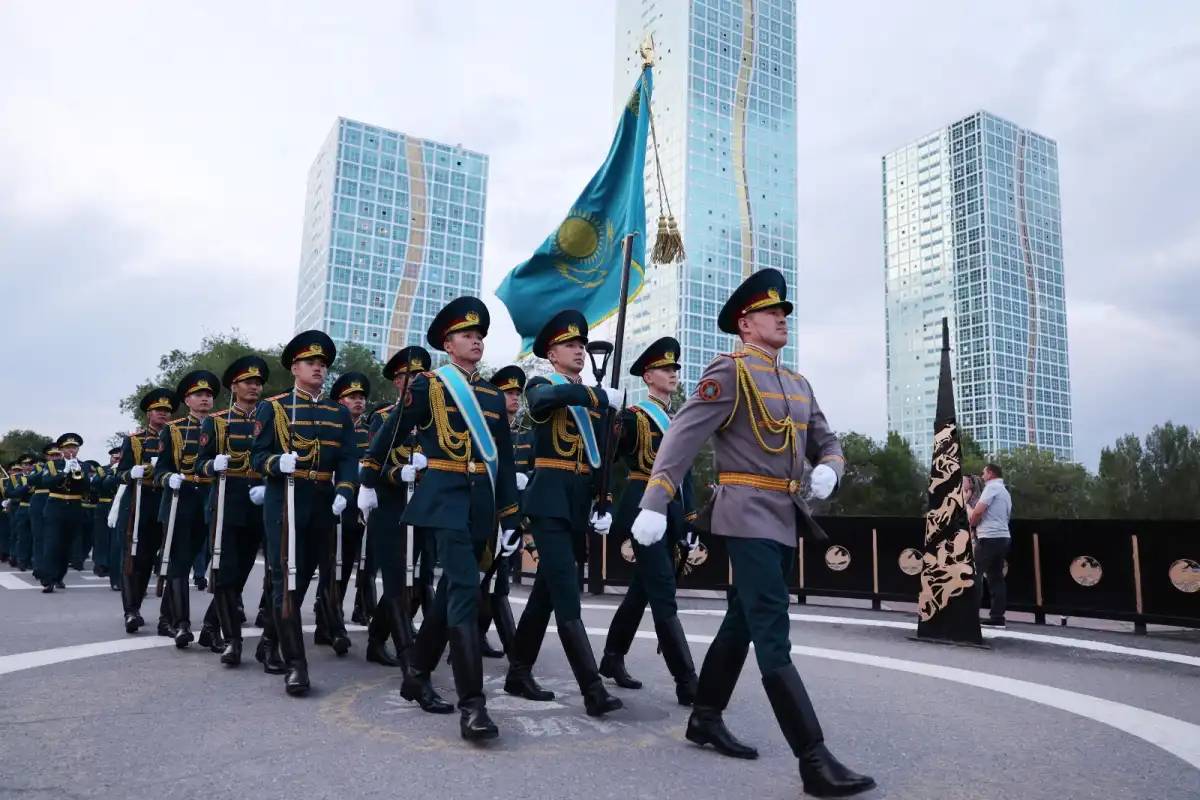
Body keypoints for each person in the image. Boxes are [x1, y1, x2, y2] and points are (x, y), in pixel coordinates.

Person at [634, 269, 875, 798]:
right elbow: (681, 435)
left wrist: (830, 467)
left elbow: (827, 440)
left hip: (786, 516)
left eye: (784, 311)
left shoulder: (797, 383)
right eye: (772, 312)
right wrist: (656, 499)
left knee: (743, 618)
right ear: (745, 324)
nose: (782, 317)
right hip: (745, 515)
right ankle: (813, 758)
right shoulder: (730, 373)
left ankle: (705, 716)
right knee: (771, 630)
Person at [361, 297, 521, 740]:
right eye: (467, 335)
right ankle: (473, 707)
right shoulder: (429, 386)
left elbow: (502, 460)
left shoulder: (490, 395)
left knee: (454, 586)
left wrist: (510, 517)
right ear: (448, 344)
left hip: (481, 505)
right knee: (466, 594)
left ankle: (415, 670)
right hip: (444, 498)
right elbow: (390, 430)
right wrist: (368, 476)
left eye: (481, 336)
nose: (477, 341)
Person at [503, 310, 625, 717]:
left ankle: (518, 672)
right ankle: (592, 689)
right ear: (552, 353)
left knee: (546, 593)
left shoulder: (591, 399)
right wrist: (596, 396)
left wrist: (602, 500)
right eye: (571, 345)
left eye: (581, 346)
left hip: (576, 503)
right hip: (548, 499)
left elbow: (602, 460)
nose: (579, 351)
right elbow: (541, 402)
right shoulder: (543, 384)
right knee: (568, 594)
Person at [252, 330, 359, 696]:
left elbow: (348, 458)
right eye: (311, 363)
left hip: (323, 501)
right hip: (286, 499)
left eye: (323, 364)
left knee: (304, 579)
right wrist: (274, 463)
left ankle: (268, 640)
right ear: (294, 367)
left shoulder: (336, 412)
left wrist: (345, 490)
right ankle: (297, 666)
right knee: (285, 579)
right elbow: (256, 456)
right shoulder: (275, 407)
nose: (318, 368)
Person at [600, 337, 699, 705]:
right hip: (643, 509)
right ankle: (687, 681)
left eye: (675, 368)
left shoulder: (678, 419)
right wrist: (608, 421)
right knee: (662, 591)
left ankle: (611, 657)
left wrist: (689, 521)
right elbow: (606, 460)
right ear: (647, 375)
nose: (672, 374)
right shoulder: (635, 417)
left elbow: (684, 472)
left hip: (671, 510)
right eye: (664, 369)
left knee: (642, 590)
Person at [196, 355, 275, 668]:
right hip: (228, 503)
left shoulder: (270, 417)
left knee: (242, 573)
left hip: (260, 501)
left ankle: (210, 625)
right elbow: (199, 464)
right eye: (248, 382)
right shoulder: (216, 422)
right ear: (234, 386)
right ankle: (232, 640)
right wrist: (212, 466)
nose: (254, 387)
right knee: (227, 571)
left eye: (258, 382)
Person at [358, 346, 431, 670]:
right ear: (396, 383)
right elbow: (373, 460)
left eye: (417, 376)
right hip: (389, 505)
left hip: (423, 505)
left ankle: (377, 639)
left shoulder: (434, 418)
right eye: (406, 377)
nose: (412, 381)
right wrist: (397, 473)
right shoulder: (383, 417)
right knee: (395, 579)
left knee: (412, 578)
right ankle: (401, 650)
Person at [153, 370, 219, 648]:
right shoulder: (174, 429)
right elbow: (161, 470)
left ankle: (166, 619)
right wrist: (170, 478)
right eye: (198, 395)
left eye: (208, 395)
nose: (204, 399)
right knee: (180, 561)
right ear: (187, 400)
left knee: (210, 558)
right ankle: (181, 624)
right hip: (183, 499)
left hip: (213, 497)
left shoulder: (220, 426)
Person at [476, 364, 529, 658]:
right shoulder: (484, 431)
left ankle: (481, 637)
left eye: (516, 393)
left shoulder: (526, 435)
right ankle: (513, 651)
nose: (514, 397)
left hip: (510, 517)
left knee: (499, 582)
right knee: (482, 580)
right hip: (485, 514)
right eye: (507, 392)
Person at [112, 388, 174, 634]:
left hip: (166, 500)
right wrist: (135, 472)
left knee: (162, 559)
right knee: (135, 559)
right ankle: (131, 610)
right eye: (159, 411)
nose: (164, 415)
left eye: (168, 411)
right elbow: (121, 474)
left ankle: (167, 617)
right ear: (149, 413)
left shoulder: (176, 437)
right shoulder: (135, 440)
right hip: (140, 501)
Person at [39, 434, 92, 592]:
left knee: (66, 545)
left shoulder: (84, 466)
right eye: (68, 447)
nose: (71, 450)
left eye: (74, 448)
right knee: (52, 543)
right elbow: (47, 483)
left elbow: (86, 487)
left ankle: (59, 577)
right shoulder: (52, 465)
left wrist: (77, 472)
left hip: (74, 506)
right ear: (61, 449)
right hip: (56, 505)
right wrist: (64, 472)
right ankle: (48, 579)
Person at [969, 463, 1012, 628]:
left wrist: (972, 524)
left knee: (976, 573)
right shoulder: (1005, 491)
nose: (982, 474)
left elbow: (978, 511)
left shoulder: (991, 488)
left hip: (989, 536)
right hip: (1003, 536)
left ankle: (971, 612)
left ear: (991, 473)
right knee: (996, 577)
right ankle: (997, 617)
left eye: (984, 472)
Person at [90, 447, 123, 583]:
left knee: (116, 538)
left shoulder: (124, 469)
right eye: (115, 458)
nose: (117, 460)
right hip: (104, 505)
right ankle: (101, 564)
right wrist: (110, 472)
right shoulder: (103, 469)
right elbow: (97, 484)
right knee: (102, 537)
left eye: (119, 458)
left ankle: (114, 565)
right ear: (110, 458)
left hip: (119, 505)